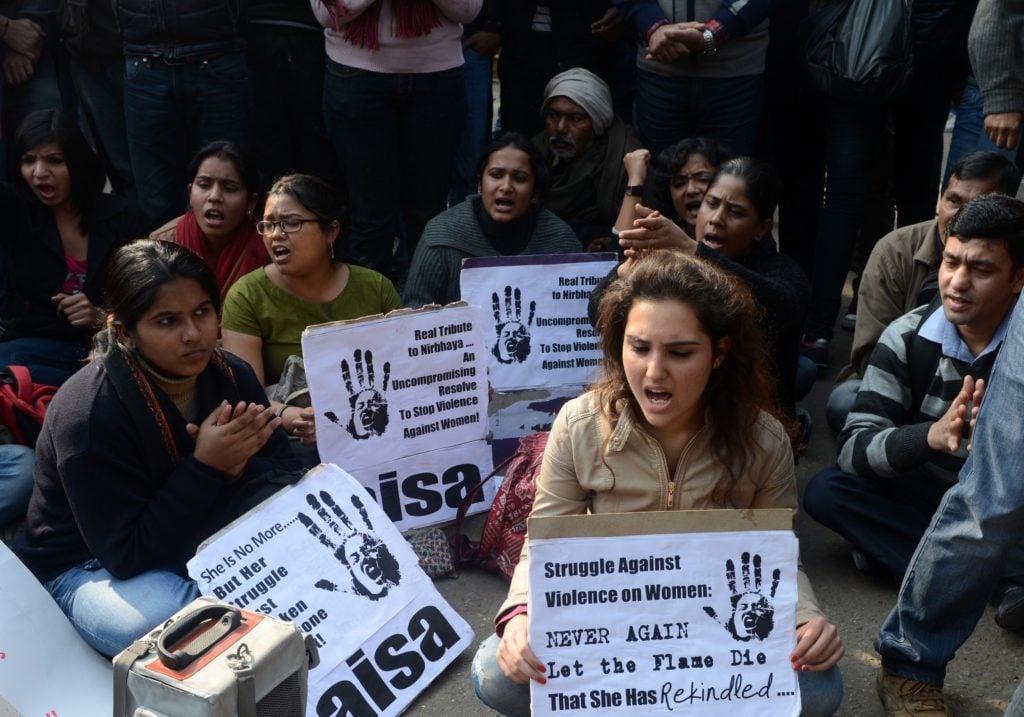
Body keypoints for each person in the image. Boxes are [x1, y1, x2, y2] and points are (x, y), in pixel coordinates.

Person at [471, 252, 844, 717]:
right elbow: (543, 542)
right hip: (606, 629)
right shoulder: (577, 424)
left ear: (719, 353)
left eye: (680, 353)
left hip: (714, 636)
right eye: (639, 348)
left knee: (819, 688)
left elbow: (780, 556)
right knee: (496, 672)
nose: (654, 371)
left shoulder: (764, 440)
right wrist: (521, 615)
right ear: (618, 346)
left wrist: (807, 620)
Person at [12, 239, 300, 657]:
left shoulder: (231, 374)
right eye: (167, 321)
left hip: (199, 531)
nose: (193, 334)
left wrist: (234, 468)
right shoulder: (88, 414)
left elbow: (284, 471)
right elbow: (126, 554)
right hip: (90, 566)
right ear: (124, 332)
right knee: (180, 624)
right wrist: (207, 467)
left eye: (202, 312)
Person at [804, 194, 1024, 596]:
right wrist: (930, 436)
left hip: (1004, 508)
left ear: (1017, 279)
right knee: (828, 492)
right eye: (951, 262)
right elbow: (855, 449)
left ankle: (919, 564)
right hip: (929, 494)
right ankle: (990, 582)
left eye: (982, 269)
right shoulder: (908, 336)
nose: (958, 282)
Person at [826, 151, 1021, 434]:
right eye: (953, 200)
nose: (961, 215)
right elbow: (871, 351)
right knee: (847, 403)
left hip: (984, 404)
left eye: (981, 269)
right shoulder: (894, 252)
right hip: (901, 382)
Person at [597, 157, 811, 414]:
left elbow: (779, 307)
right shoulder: (670, 258)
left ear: (762, 228)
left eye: (735, 212)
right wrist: (625, 274)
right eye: (711, 204)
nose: (716, 219)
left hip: (746, 416)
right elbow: (598, 315)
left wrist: (694, 251)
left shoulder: (783, 272)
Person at [221, 174, 402, 441]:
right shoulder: (246, 295)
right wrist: (296, 417)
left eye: (291, 223)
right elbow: (247, 396)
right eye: (268, 225)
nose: (276, 234)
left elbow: (405, 373)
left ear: (331, 231)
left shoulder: (375, 288)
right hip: (289, 438)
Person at [314, 0, 481, 279]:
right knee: (370, 215)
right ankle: (371, 303)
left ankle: (427, 300)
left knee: (428, 212)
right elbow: (326, 13)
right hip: (356, 78)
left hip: (436, 80)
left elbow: (468, 10)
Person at [0, 109, 151, 387]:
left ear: (77, 162)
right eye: (28, 160)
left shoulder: (125, 219)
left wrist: (100, 316)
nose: (39, 173)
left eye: (54, 160)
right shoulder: (16, 211)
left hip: (110, 351)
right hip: (35, 347)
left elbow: (147, 302)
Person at [404, 133, 581, 308]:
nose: (506, 187)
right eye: (496, 175)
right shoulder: (440, 237)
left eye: (519, 178)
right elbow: (415, 314)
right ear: (480, 184)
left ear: (535, 192)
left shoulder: (561, 243)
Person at [613, 0, 770, 157]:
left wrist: (707, 38)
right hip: (659, 74)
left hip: (734, 77)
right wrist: (655, 28)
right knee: (659, 166)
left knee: (731, 168)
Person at [533, 67, 642, 250]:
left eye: (575, 118)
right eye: (554, 115)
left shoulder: (626, 158)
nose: (560, 128)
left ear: (596, 122)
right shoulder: (534, 153)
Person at [149, 141, 265, 300]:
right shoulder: (161, 244)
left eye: (229, 188)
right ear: (190, 193)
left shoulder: (268, 247)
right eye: (204, 185)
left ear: (251, 202)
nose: (215, 197)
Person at [613, 135, 730, 242]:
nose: (691, 190)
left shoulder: (735, 234)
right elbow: (619, 253)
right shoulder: (664, 239)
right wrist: (635, 179)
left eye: (703, 179)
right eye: (679, 183)